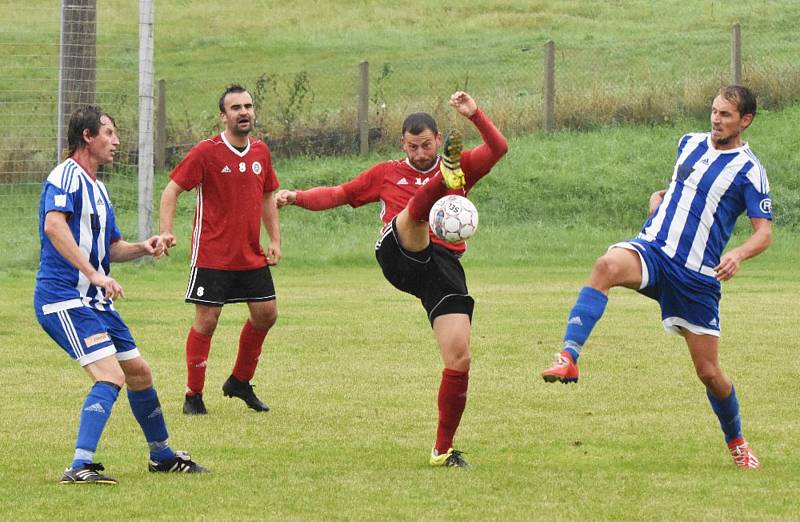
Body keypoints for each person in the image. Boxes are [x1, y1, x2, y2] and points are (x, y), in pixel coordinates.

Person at [540, 85, 772, 470]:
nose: (716, 119)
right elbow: (679, 191)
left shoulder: (750, 171)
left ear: (745, 121)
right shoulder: (689, 143)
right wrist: (659, 201)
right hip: (655, 249)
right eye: (714, 111)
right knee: (605, 266)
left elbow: (764, 231)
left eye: (726, 115)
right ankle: (569, 356)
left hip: (696, 277)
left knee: (709, 373)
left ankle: (737, 441)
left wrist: (738, 253)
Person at [275, 91, 508, 467]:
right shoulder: (386, 173)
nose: (419, 153)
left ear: (436, 141)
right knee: (414, 218)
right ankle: (437, 186)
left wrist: (475, 114)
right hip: (397, 252)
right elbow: (339, 194)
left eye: (427, 146)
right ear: (403, 144)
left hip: (442, 266)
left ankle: (442, 450)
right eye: (413, 147)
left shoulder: (465, 165)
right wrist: (296, 196)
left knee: (459, 357)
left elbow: (498, 148)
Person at [34, 106, 206, 485]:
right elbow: (53, 226)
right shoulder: (65, 177)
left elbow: (111, 248)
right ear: (87, 137)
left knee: (139, 373)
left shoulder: (98, 188)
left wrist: (147, 246)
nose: (116, 140)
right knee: (109, 375)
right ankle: (79, 465)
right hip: (62, 297)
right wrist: (93, 274)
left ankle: (161, 456)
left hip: (94, 301)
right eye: (109, 133)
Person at [159, 84, 281, 415]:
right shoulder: (206, 152)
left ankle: (240, 381)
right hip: (212, 254)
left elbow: (269, 196)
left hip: (249, 254)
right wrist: (166, 232)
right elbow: (171, 191)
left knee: (266, 313)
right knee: (207, 320)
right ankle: (193, 396)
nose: (244, 112)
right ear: (223, 116)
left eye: (248, 106)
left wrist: (274, 239)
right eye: (236, 108)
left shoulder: (260, 152)